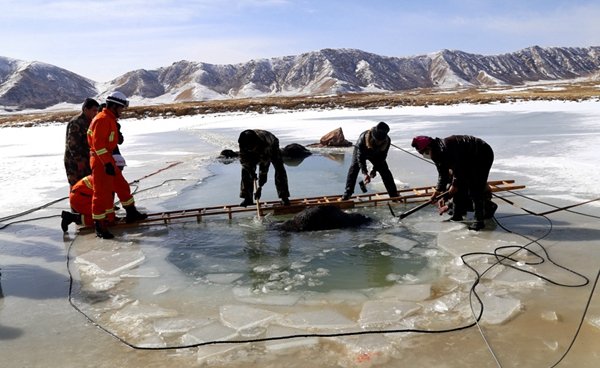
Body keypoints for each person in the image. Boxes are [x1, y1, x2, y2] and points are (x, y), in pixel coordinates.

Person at [87, 91, 146, 239]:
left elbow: (112, 141)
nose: (122, 111)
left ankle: (131, 212)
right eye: (120, 108)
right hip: (101, 162)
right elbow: (98, 145)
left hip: (108, 159)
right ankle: (100, 226)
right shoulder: (102, 119)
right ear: (113, 106)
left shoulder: (110, 119)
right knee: (100, 194)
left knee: (122, 186)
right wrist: (107, 163)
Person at [411, 135, 495, 231]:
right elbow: (443, 174)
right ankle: (457, 215)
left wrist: (454, 185)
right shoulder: (435, 152)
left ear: (429, 147)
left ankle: (479, 221)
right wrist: (438, 192)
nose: (424, 154)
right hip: (465, 160)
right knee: (459, 186)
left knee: (474, 187)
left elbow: (460, 170)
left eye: (424, 152)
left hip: (481, 154)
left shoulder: (447, 148)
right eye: (421, 153)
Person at [342, 122, 398, 200]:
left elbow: (382, 158)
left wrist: (374, 170)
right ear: (373, 136)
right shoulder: (363, 138)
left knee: (385, 171)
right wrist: (365, 173)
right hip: (362, 151)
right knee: (354, 168)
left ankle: (393, 194)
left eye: (381, 141)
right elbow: (360, 157)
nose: (379, 142)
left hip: (377, 154)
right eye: (377, 140)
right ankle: (348, 192)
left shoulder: (387, 141)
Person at [238, 129, 290, 207]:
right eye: (248, 148)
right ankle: (247, 198)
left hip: (272, 144)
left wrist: (260, 187)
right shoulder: (243, 142)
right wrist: (251, 173)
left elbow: (264, 167)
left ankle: (284, 197)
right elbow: (244, 161)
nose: (249, 149)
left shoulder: (265, 145)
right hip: (257, 144)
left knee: (279, 168)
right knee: (245, 171)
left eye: (251, 147)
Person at [64, 98, 100, 187]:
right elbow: (72, 144)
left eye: (97, 111)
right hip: (75, 162)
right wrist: (79, 160)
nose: (96, 113)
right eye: (94, 110)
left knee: (88, 185)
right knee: (77, 186)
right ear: (85, 110)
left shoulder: (91, 121)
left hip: (86, 159)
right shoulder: (76, 122)